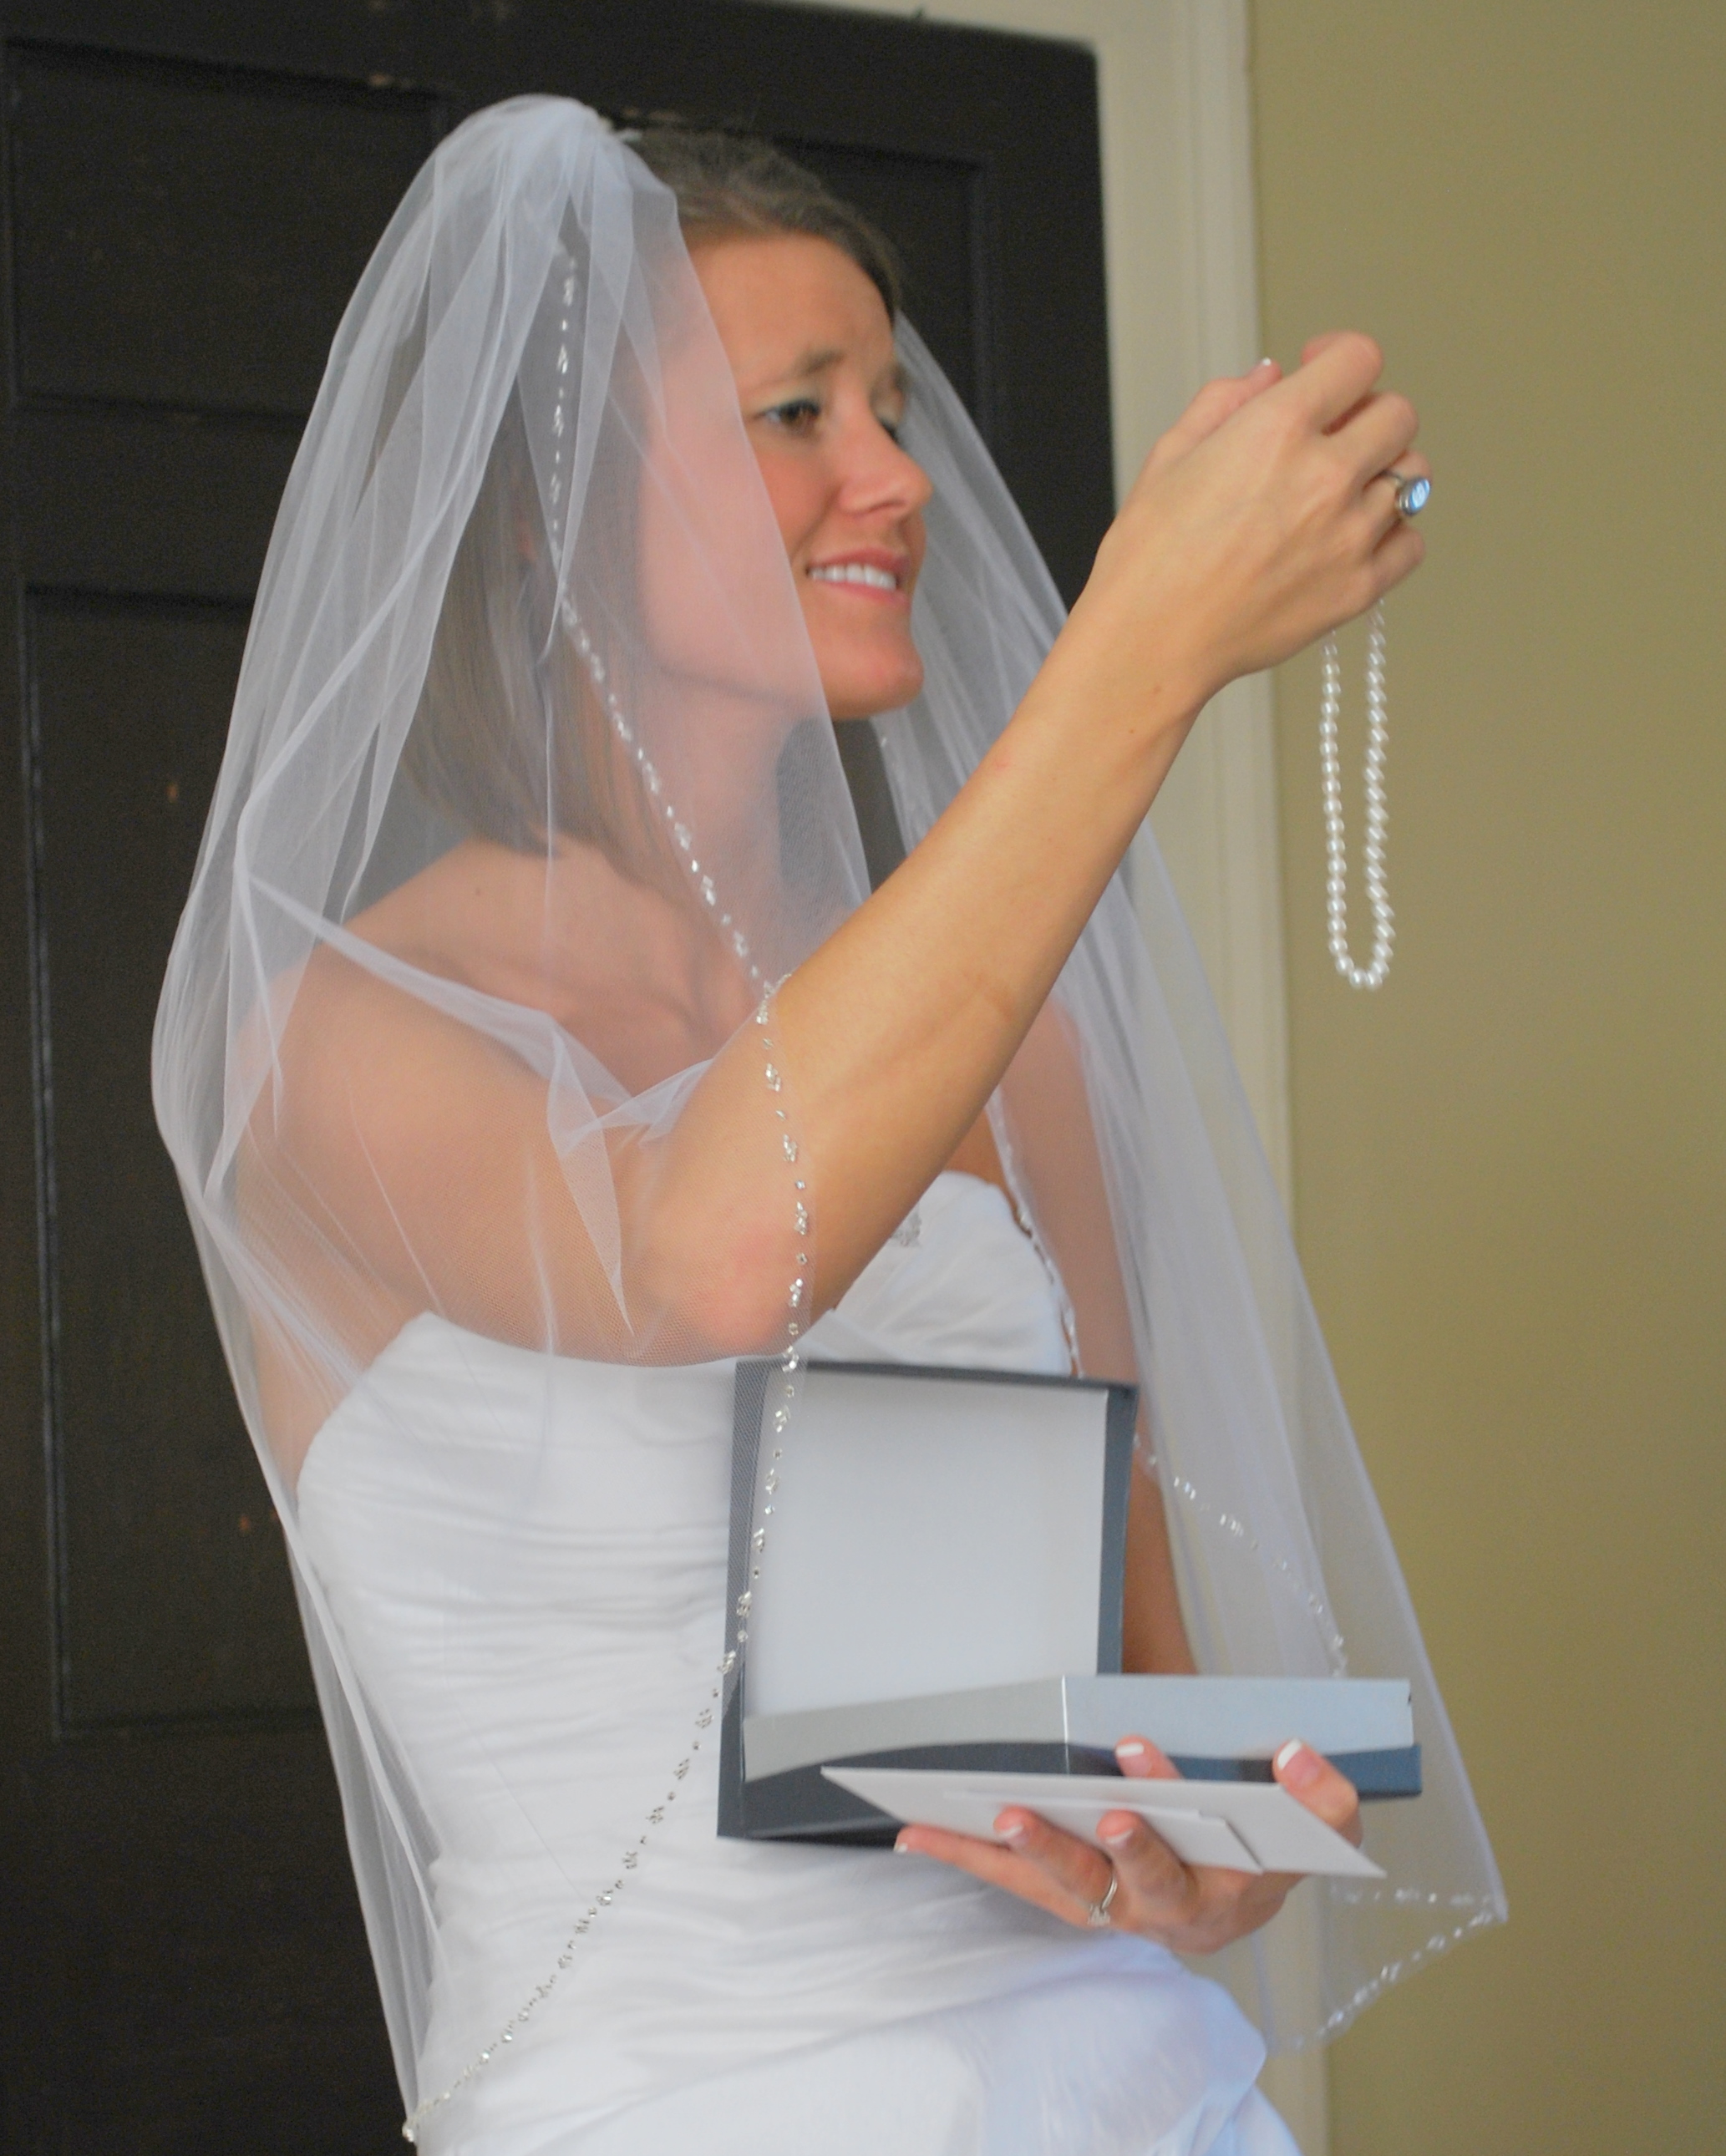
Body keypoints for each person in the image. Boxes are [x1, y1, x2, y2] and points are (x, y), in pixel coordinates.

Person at [154, 99, 1501, 2153]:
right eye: (797, 412)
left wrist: (1198, 1862)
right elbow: (702, 1259)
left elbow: (1132, 1686)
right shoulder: (332, 1037)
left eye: (890, 407)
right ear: (544, 513)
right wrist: (1141, 646)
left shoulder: (1017, 1053)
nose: (896, 475)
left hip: (1123, 2087)